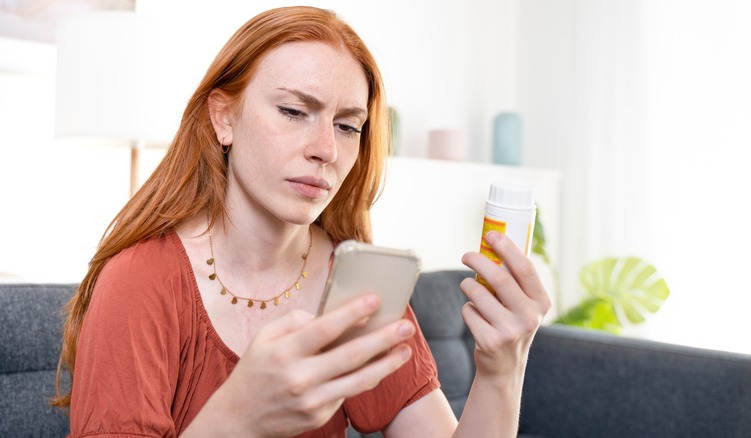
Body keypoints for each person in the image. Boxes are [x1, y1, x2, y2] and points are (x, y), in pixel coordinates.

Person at [54, 5, 551, 437]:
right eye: (294, 111)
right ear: (224, 118)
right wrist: (239, 419)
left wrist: (501, 370)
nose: (326, 150)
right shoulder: (139, 281)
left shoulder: (360, 284)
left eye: (347, 126)